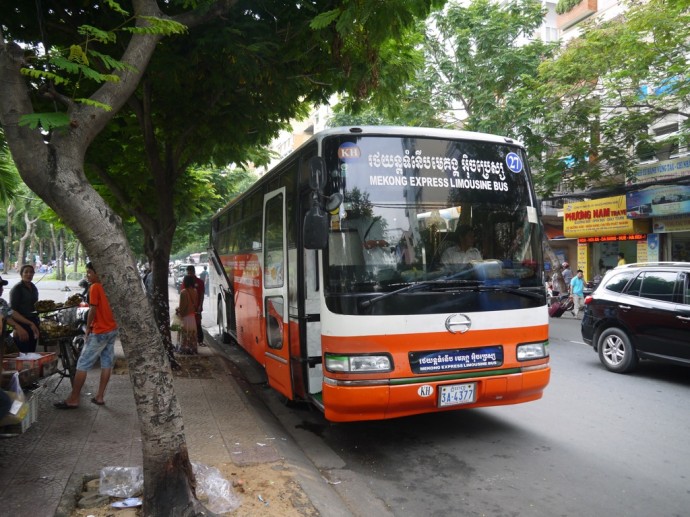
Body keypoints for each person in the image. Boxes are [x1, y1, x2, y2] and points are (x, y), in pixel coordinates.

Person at [54, 262, 118, 409]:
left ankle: (74, 398)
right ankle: (100, 396)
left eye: (89, 272)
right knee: (107, 363)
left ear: (98, 273)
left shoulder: (95, 287)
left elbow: (93, 310)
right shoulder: (111, 286)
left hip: (100, 331)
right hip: (112, 329)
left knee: (82, 364)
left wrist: (88, 327)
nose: (87, 275)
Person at [0, 276, 39, 351]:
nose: (1, 289)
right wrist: (17, 327)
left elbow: (11, 312)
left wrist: (30, 323)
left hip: (6, 341)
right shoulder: (17, 288)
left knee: (20, 357)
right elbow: (3, 315)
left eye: (1, 286)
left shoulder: (1, 301)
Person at [10, 264, 41, 353]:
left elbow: (35, 305)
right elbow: (12, 310)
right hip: (22, 324)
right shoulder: (17, 289)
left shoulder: (34, 287)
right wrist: (16, 328)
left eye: (31, 272)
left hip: (34, 323)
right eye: (26, 272)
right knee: (23, 353)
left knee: (32, 351)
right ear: (21, 274)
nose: (29, 274)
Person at [176, 275, 199, 354]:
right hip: (192, 316)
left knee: (185, 333)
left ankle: (185, 349)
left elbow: (182, 306)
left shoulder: (183, 292)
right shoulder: (195, 291)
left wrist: (179, 312)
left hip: (185, 317)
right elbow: (195, 303)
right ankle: (192, 349)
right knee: (192, 333)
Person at [186, 265, 206, 347]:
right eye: (188, 273)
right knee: (189, 325)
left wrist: (200, 305)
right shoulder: (186, 282)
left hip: (197, 307)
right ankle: (191, 341)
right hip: (188, 308)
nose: (189, 275)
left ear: (194, 272)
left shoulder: (200, 282)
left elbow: (202, 295)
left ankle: (200, 340)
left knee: (198, 323)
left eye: (191, 273)